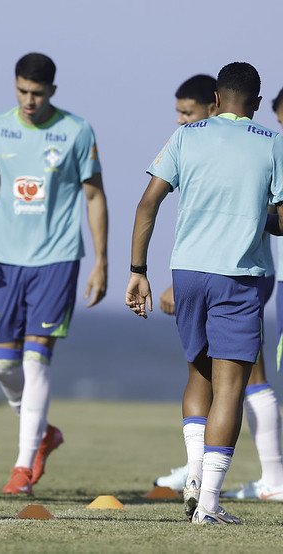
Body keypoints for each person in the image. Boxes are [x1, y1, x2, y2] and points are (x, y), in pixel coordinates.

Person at [126, 62, 283, 524]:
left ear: (215, 99)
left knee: (199, 375)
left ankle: (193, 476)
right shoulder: (273, 142)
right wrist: (256, 215)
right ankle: (209, 503)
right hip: (239, 275)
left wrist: (138, 270)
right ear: (257, 103)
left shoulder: (186, 136)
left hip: (188, 273)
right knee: (230, 387)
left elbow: (147, 203)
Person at [0, 53, 108, 494]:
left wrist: (101, 262)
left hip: (57, 259)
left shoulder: (76, 131)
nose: (28, 101)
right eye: (22, 91)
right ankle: (43, 434)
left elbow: (94, 196)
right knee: (3, 366)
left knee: (35, 360)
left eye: (37, 93)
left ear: (52, 90)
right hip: (7, 261)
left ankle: (21, 468)